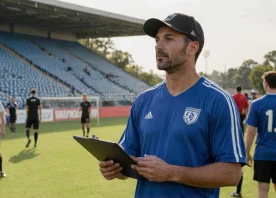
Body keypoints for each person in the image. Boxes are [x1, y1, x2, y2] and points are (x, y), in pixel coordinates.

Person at [98, 13, 246, 198]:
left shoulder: (218, 100)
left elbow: (232, 174)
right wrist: (115, 169)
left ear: (192, 47)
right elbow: (128, 162)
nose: (159, 46)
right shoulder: (144, 100)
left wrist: (172, 173)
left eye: (169, 38)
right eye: (157, 39)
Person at [245, 71, 276, 198]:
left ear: (266, 83)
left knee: (263, 191)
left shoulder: (257, 103)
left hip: (263, 153)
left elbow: (251, 131)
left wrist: (246, 152)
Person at [230, 85, 249, 197]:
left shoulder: (234, 97)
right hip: (241, 115)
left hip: (235, 115)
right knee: (240, 132)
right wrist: (246, 115)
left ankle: (238, 191)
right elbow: (246, 107)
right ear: (241, 89)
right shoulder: (243, 97)